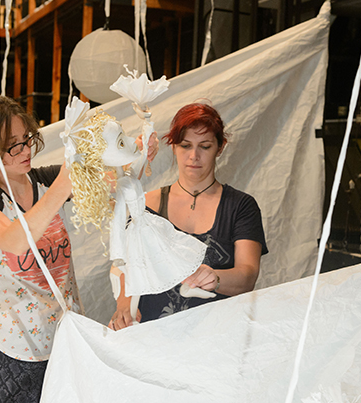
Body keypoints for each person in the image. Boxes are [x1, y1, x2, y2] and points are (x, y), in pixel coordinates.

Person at [0, 95, 157, 402]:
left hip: (71, 338)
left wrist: (138, 155)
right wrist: (64, 185)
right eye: (13, 145)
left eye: (27, 139)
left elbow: (119, 184)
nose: (25, 151)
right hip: (22, 354)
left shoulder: (44, 180)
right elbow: (13, 239)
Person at [109, 102, 268, 329]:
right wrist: (124, 307)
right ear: (173, 146)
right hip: (153, 338)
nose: (194, 156)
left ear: (220, 148)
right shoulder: (145, 205)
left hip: (216, 339)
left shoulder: (240, 206)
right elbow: (125, 265)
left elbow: (247, 276)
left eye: (204, 146)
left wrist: (215, 278)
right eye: (185, 145)